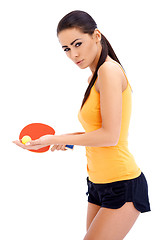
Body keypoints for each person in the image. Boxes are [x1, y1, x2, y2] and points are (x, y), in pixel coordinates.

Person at [13, 10, 151, 240]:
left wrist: (55, 139)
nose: (73, 54)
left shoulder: (108, 71)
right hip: (98, 183)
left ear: (96, 35)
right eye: (66, 49)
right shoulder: (94, 77)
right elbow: (95, 133)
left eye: (78, 44)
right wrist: (63, 141)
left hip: (122, 183)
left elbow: (110, 137)